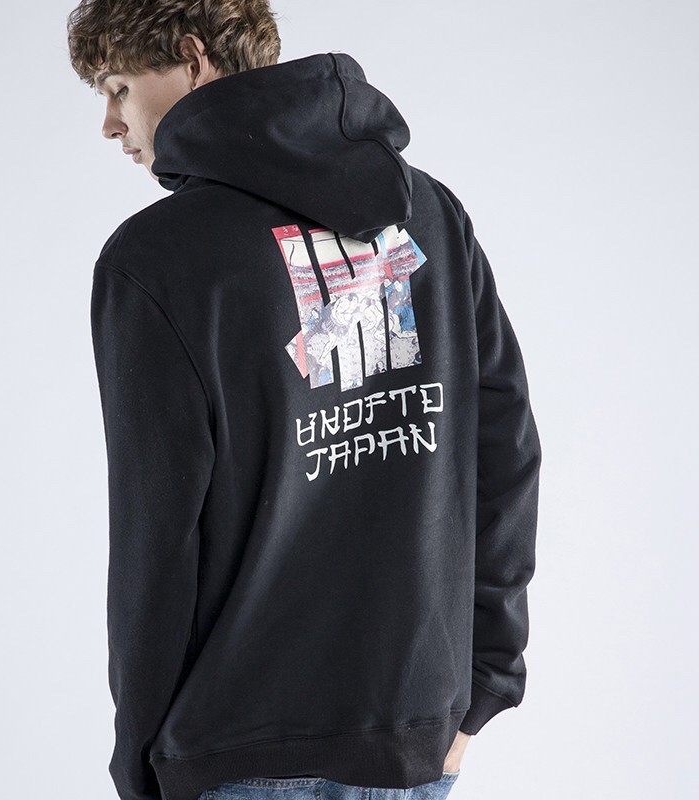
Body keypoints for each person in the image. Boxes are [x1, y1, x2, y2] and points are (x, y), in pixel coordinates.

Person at [66, 3, 542, 800]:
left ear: (192, 59)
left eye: (118, 87)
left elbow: (158, 541)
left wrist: (140, 759)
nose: (111, 124)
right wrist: (483, 684)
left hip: (231, 753)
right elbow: (507, 455)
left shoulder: (156, 259)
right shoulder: (429, 214)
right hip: (415, 740)